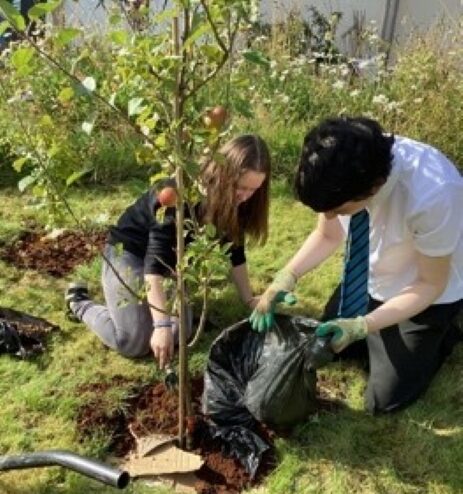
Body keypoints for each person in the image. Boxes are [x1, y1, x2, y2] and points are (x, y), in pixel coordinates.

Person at [250, 116, 463, 414]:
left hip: (426, 291)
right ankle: (378, 326)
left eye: (338, 210)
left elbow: (431, 284)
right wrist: (286, 276)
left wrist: (363, 325)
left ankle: (445, 331)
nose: (331, 214)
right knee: (326, 344)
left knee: (384, 401)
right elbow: (326, 234)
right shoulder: (341, 161)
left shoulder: (434, 194)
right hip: (371, 276)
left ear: (373, 187)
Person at [66, 134, 271, 369]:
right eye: (240, 187)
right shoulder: (177, 194)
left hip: (170, 262)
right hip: (130, 251)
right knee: (133, 341)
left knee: (180, 332)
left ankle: (137, 308)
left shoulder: (239, 202)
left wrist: (248, 299)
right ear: (222, 174)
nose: (245, 196)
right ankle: (79, 303)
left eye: (253, 189)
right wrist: (161, 324)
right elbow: (155, 262)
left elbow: (235, 250)